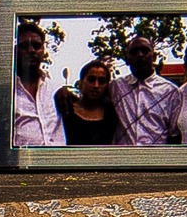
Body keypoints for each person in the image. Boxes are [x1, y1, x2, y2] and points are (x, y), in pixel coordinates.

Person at [109, 35, 179, 145]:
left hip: (156, 155)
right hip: (123, 155)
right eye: (134, 52)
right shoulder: (116, 87)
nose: (140, 55)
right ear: (127, 59)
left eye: (145, 51)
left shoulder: (170, 91)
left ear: (154, 57)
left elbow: (174, 135)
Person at [10, 19, 64, 147]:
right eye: (24, 46)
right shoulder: (7, 92)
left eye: (36, 46)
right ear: (15, 50)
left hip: (58, 158)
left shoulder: (55, 89)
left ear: (43, 50)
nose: (31, 50)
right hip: (24, 158)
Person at [56, 59, 123, 146]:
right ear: (81, 82)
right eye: (91, 80)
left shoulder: (112, 114)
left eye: (101, 81)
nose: (96, 85)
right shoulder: (66, 110)